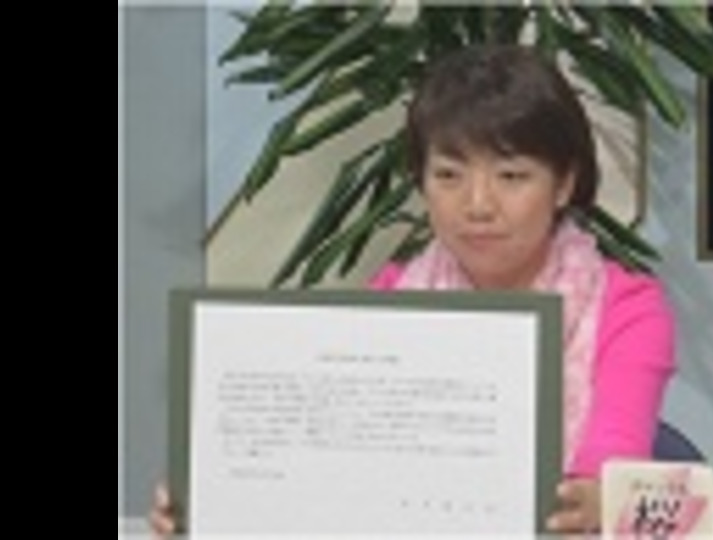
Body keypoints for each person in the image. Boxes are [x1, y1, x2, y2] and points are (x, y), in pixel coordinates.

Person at [150, 43, 675, 536]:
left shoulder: (628, 308)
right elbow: (329, 455)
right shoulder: (390, 295)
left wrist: (597, 501)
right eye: (448, 175)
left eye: (512, 176)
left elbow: (611, 464)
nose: (478, 205)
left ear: (564, 183)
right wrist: (213, 494)